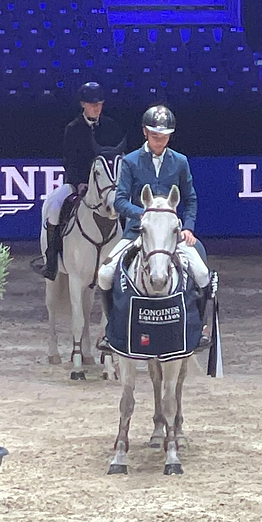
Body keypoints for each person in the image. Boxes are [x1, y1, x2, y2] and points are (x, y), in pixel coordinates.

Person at [97, 104, 212, 351]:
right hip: (138, 232)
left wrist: (188, 228)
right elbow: (120, 200)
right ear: (145, 133)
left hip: (172, 234)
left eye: (164, 136)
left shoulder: (180, 162)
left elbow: (190, 198)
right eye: (155, 136)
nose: (160, 141)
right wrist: (146, 216)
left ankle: (200, 328)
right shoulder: (130, 162)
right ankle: (110, 330)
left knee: (202, 274)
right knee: (105, 275)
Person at [42, 82, 125, 280]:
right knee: (54, 207)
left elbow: (118, 157)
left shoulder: (111, 127)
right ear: (83, 104)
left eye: (99, 104)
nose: (97, 107)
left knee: (128, 209)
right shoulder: (73, 129)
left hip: (106, 185)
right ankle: (52, 260)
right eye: (92, 104)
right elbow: (69, 160)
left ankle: (128, 261)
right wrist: (79, 182)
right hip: (77, 183)